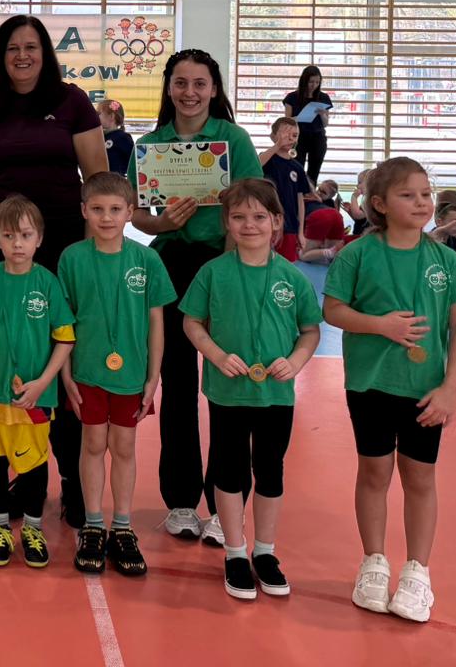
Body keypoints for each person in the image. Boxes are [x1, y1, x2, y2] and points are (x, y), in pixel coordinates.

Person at [0, 14, 108, 527]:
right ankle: (23, 473)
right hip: (1, 251)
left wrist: (101, 247)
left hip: (61, 250)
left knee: (59, 360)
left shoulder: (72, 102)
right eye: (12, 47)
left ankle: (73, 481)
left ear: (45, 53)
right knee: (8, 361)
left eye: (31, 47)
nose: (22, 55)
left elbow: (97, 178)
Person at [323, 155, 456, 624]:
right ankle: (373, 562)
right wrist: (380, 325)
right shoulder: (357, 254)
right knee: (374, 473)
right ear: (379, 204)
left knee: (420, 478)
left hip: (424, 390)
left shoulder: (446, 261)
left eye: (426, 194)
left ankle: (417, 572)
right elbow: (333, 310)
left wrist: (451, 389)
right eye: (407, 195)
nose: (421, 203)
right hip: (370, 384)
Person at [129, 49, 264, 546]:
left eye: (199, 84)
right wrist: (162, 223)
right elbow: (135, 213)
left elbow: (252, 204)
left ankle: (228, 503)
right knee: (179, 384)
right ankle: (182, 501)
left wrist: (229, 272)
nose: (190, 92)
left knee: (231, 386)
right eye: (181, 83)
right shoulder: (150, 146)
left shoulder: (233, 140)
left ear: (214, 89)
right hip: (170, 267)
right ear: (169, 88)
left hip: (225, 265)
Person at [180, 179, 322, 602]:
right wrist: (215, 354)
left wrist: (295, 362)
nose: (249, 224)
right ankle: (235, 552)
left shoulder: (292, 277)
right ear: (227, 222)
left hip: (276, 395)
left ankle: (265, 551)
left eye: (259, 216)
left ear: (277, 221)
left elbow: (310, 331)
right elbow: (191, 322)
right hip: (228, 392)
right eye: (239, 217)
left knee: (270, 470)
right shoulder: (213, 272)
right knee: (228, 470)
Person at [58, 172, 175, 577]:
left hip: (132, 374)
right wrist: (66, 375)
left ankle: (122, 526)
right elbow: (63, 323)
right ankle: (93, 524)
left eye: (114, 209)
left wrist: (153, 376)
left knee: (124, 446)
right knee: (92, 443)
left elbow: (156, 322)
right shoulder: (72, 258)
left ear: (130, 212)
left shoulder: (147, 260)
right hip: (87, 371)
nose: (106, 217)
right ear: (84, 211)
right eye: (97, 209)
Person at [0, 196, 76, 569]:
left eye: (25, 235)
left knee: (35, 464)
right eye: (9, 236)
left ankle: (32, 528)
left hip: (36, 398)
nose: (17, 244)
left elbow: (65, 338)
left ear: (39, 239)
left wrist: (43, 383)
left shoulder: (48, 283)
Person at [259, 117, 311, 262]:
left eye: (294, 135)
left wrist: (300, 232)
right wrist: (277, 145)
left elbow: (300, 201)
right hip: (266, 223)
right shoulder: (266, 159)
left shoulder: (297, 167)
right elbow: (255, 166)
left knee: (286, 265)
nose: (290, 138)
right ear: (273, 136)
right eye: (285, 134)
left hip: (289, 226)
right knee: (262, 263)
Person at [281, 65, 332, 184]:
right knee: (296, 169)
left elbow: (325, 124)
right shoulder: (292, 97)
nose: (314, 85)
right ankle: (296, 193)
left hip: (317, 137)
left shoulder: (323, 97)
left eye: (317, 82)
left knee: (314, 172)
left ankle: (311, 192)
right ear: (304, 81)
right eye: (311, 82)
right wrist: (300, 117)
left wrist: (322, 114)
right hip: (298, 137)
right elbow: (286, 121)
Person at [98, 99, 134, 178]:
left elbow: (132, 161)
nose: (96, 117)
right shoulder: (99, 137)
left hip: (116, 181)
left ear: (111, 116)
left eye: (99, 113)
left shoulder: (123, 137)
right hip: (101, 180)